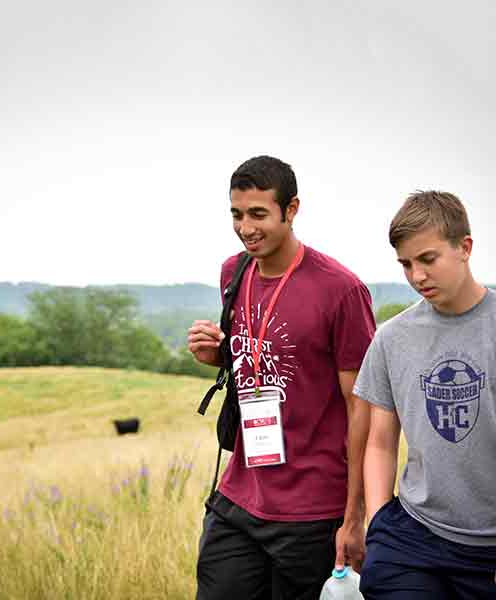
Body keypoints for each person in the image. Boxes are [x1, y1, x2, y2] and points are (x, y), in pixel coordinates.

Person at [188, 155, 376, 599]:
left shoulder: (340, 290)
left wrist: (354, 519)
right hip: (240, 494)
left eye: (258, 214)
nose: (245, 227)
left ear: (291, 210)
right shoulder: (234, 272)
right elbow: (261, 359)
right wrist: (219, 354)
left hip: (312, 512)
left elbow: (362, 408)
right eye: (236, 214)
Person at [354, 191, 496, 599]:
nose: (417, 276)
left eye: (428, 259)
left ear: (464, 248)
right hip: (413, 539)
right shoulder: (391, 338)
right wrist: (379, 522)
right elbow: (380, 441)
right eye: (406, 264)